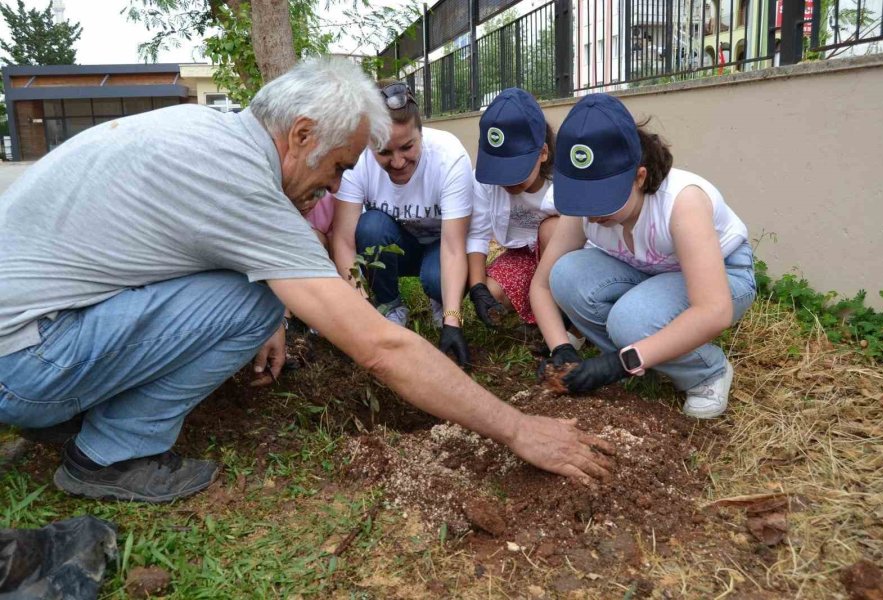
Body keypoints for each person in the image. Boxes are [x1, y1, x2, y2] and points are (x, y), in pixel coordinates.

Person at [0, 57, 614, 503]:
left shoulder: (211, 136)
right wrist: (517, 427)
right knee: (250, 299)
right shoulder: (241, 180)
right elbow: (380, 346)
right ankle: (109, 455)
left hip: (31, 332)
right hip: (25, 361)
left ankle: (72, 406)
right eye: (339, 165)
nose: (336, 184)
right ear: (300, 134)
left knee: (262, 299)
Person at [531, 93, 756, 418]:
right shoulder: (583, 208)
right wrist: (561, 349)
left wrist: (622, 363)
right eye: (583, 198)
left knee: (631, 321)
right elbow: (543, 286)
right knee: (565, 274)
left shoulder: (681, 202)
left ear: (639, 176)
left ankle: (706, 371)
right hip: (648, 269)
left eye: (601, 200)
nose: (591, 215)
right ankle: (649, 353)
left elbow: (714, 309)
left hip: (724, 276)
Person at [331, 81, 473, 367]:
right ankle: (390, 304)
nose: (397, 162)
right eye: (384, 152)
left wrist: (452, 322)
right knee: (370, 226)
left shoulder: (449, 157)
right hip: (397, 244)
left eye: (407, 147)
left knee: (436, 278)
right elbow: (343, 240)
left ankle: (441, 300)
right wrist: (360, 309)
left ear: (421, 133)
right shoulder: (357, 160)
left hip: (440, 244)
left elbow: (455, 247)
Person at [467, 88, 559, 329]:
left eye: (516, 171)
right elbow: (477, 234)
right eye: (499, 171)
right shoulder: (483, 182)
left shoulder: (561, 184)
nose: (507, 181)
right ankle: (537, 306)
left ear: (542, 153)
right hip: (522, 256)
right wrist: (478, 288)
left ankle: (562, 318)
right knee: (492, 292)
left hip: (561, 256)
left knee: (553, 228)